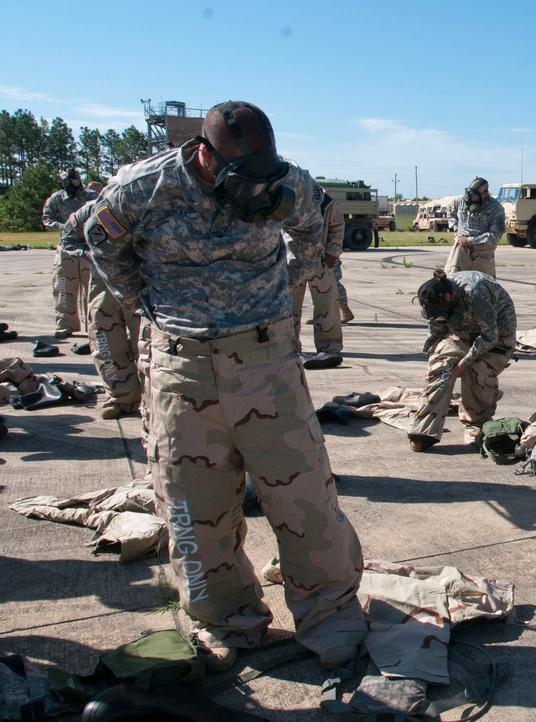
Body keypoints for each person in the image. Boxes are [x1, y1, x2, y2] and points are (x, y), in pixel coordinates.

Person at [85, 100, 365, 671]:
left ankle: (330, 613)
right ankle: (225, 619)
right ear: (206, 156)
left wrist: (295, 276)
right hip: (182, 370)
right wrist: (150, 305)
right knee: (194, 506)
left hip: (267, 363)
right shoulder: (143, 187)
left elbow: (316, 224)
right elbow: (100, 241)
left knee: (305, 496)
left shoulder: (286, 178)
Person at [408, 269, 516, 451]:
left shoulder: (475, 292)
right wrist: (431, 362)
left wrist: (466, 361)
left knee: (478, 369)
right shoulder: (436, 300)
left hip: (497, 332)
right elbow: (435, 333)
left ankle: (477, 425)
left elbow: (489, 337)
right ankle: (425, 429)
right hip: (463, 331)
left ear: (449, 296)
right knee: (440, 366)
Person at [62, 193, 143, 420]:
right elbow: (67, 240)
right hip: (103, 284)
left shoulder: (147, 205)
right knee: (106, 340)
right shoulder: (91, 211)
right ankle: (121, 398)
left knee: (145, 343)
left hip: (138, 284)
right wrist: (95, 255)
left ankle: (150, 399)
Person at [291, 190, 346, 368]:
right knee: (288, 306)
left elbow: (338, 224)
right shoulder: (280, 194)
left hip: (320, 260)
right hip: (291, 263)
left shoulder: (322, 199)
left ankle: (330, 346)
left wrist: (333, 251)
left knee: (328, 305)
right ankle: (287, 346)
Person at [43, 168, 99, 338]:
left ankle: (95, 326)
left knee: (92, 289)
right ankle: (65, 325)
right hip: (66, 249)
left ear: (79, 180)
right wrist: (64, 226)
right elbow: (47, 218)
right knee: (63, 287)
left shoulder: (91, 196)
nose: (70, 185)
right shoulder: (57, 198)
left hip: (88, 247)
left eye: (73, 181)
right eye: (66, 182)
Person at [444, 177, 505, 277]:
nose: (470, 199)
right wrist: (456, 229)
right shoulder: (461, 201)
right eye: (469, 195)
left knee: (484, 287)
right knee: (454, 281)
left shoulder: (496, 209)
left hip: (483, 255)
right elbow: (450, 213)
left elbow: (494, 238)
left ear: (485, 194)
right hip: (461, 251)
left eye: (474, 197)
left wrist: (469, 240)